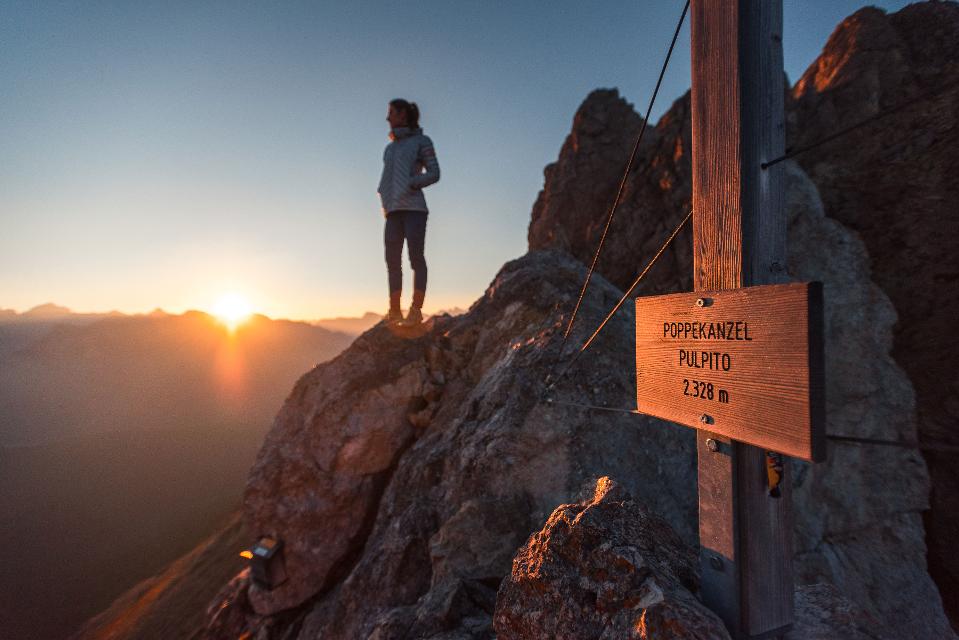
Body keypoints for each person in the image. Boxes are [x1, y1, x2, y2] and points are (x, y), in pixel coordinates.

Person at [377, 98, 440, 325]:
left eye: (391, 113)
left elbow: (434, 172)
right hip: (392, 211)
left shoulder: (422, 141)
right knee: (392, 261)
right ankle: (394, 311)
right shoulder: (390, 148)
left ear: (403, 114)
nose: (388, 118)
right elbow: (386, 178)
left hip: (414, 209)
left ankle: (415, 310)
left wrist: (412, 183)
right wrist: (384, 195)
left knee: (416, 258)